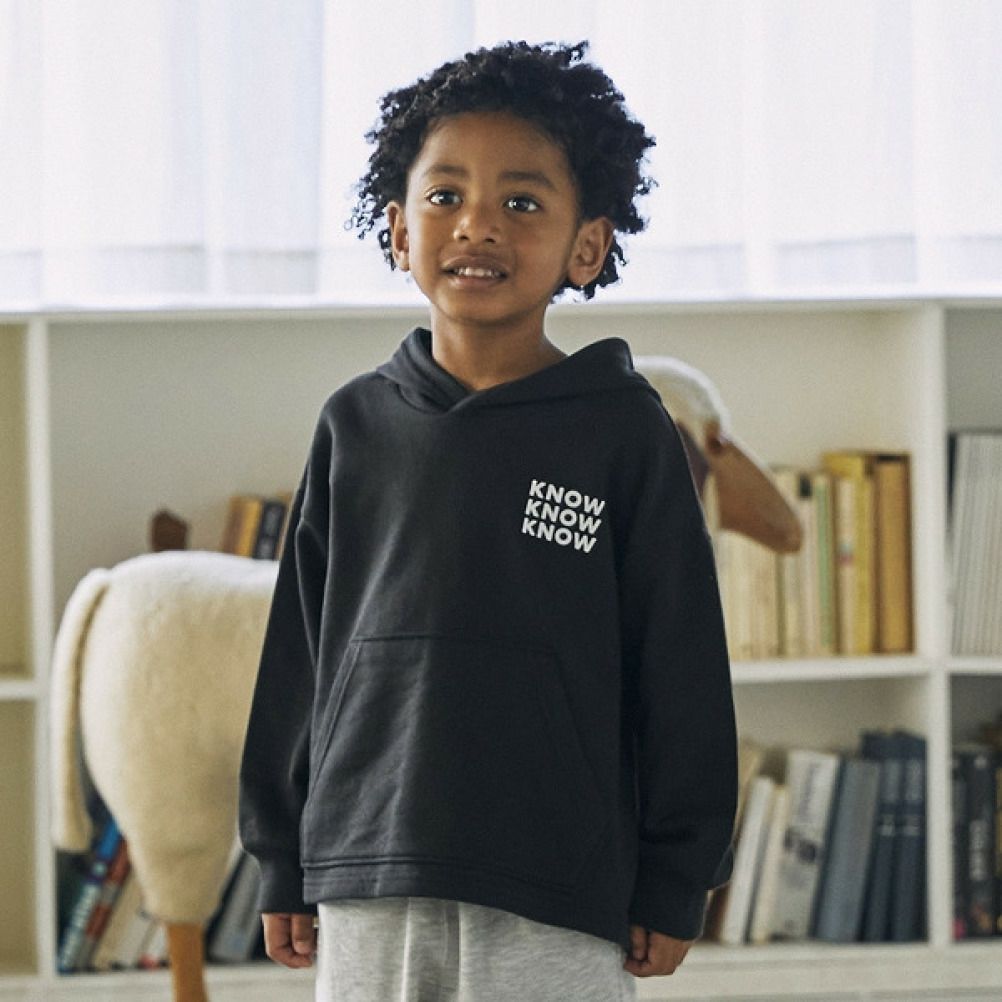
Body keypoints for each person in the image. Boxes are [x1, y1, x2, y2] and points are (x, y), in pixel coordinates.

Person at [238, 39, 737, 1002]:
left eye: (522, 203)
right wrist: (279, 853)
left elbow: (680, 665)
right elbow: (298, 661)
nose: (477, 225)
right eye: (445, 196)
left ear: (586, 246)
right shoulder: (353, 425)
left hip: (557, 883)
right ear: (397, 229)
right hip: (369, 871)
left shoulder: (626, 433)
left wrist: (677, 874)